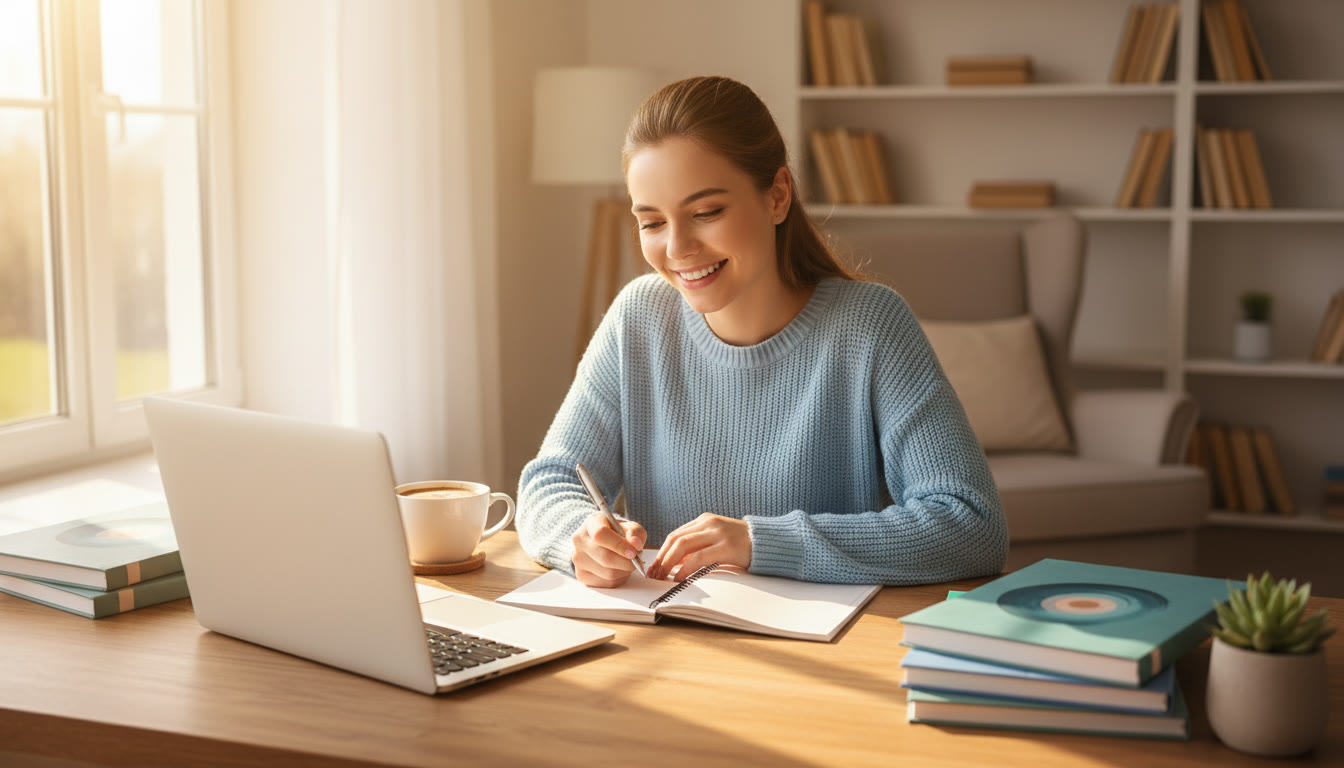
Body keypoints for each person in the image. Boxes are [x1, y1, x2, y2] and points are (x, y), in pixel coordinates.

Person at [516, 75, 1007, 588]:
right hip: (665, 646)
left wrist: (762, 543)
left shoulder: (871, 326)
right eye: (652, 222)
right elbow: (548, 484)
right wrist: (583, 537)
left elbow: (971, 526)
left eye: (705, 212)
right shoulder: (637, 319)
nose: (678, 248)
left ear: (777, 196)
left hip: (825, 656)